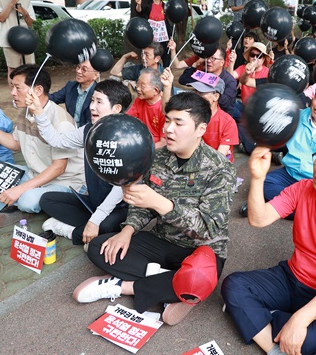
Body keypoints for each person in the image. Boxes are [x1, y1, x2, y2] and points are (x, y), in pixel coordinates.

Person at [72, 92, 236, 327]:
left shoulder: (220, 170)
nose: (168, 129)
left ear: (201, 129)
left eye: (178, 123)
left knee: (199, 276)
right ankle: (175, 288)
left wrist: (160, 203)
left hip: (200, 251)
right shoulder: (157, 158)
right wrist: (127, 230)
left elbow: (209, 230)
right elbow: (142, 207)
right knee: (99, 247)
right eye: (168, 120)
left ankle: (124, 286)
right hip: (162, 240)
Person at [222, 134, 316, 355]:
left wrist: (301, 319)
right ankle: (275, 346)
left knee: (305, 343)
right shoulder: (302, 188)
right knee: (233, 285)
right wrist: (257, 177)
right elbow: (258, 219)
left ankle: (259, 316)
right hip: (291, 276)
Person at [0, 64, 84, 227]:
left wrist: (20, 189)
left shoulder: (61, 121)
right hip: (34, 174)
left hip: (63, 182)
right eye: (12, 88)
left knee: (27, 200)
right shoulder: (25, 113)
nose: (12, 93)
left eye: (17, 88)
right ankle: (7, 205)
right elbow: (15, 144)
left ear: (37, 90)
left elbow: (59, 168)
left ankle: (15, 203)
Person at [26, 80, 133, 246]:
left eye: (99, 102)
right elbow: (57, 140)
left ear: (116, 108)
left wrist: (96, 220)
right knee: (47, 199)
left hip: (120, 207)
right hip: (94, 201)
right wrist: (39, 113)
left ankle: (73, 231)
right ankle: (88, 225)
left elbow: (121, 188)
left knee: (106, 227)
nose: (91, 107)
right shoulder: (89, 129)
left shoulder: (127, 138)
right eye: (92, 100)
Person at [238, 81, 316, 216]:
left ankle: (271, 207)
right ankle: (306, 210)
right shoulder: (296, 116)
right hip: (290, 173)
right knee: (261, 184)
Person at [169, 41, 238, 116]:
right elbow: (183, 80)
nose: (208, 61)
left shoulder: (230, 81)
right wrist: (195, 65)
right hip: (199, 112)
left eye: (213, 58)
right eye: (207, 58)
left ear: (222, 62)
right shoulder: (203, 73)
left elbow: (226, 103)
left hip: (218, 116)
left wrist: (208, 90)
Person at [49, 59, 99, 127]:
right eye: (78, 67)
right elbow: (52, 98)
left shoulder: (99, 93)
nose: (78, 71)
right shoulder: (70, 87)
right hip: (70, 130)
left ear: (95, 76)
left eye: (84, 69)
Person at [229, 42, 271, 122]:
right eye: (252, 55)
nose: (255, 58)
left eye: (259, 56)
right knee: (226, 105)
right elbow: (229, 78)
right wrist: (232, 62)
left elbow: (246, 81)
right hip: (243, 107)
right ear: (249, 57)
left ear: (263, 59)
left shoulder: (268, 73)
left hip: (259, 111)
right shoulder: (243, 68)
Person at [127, 67, 167, 149]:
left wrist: (143, 150)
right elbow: (128, 120)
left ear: (155, 90)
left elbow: (163, 142)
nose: (138, 88)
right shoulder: (139, 100)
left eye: (142, 86)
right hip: (140, 140)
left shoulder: (164, 108)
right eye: (137, 84)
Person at [135, 0, 171, 66]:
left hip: (163, 38)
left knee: (166, 58)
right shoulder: (147, 4)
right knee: (148, 57)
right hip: (150, 38)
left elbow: (169, 23)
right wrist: (139, 4)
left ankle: (166, 74)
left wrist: (170, 38)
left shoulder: (165, 7)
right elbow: (139, 11)